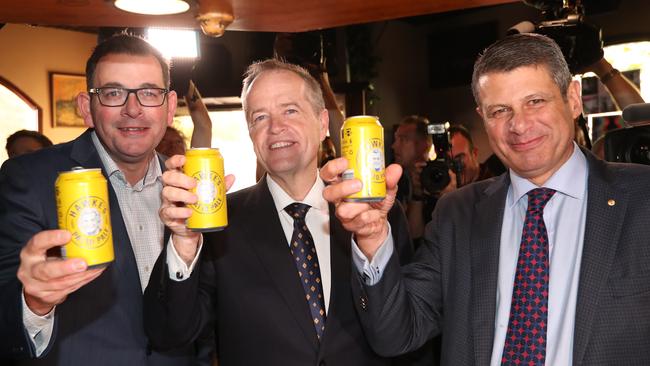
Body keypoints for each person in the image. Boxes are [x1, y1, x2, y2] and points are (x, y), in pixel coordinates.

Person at [321, 33, 650, 365]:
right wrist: (372, 238)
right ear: (482, 116)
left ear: (573, 98)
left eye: (535, 101)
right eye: (499, 111)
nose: (519, 125)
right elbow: (394, 335)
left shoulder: (642, 198)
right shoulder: (457, 214)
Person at [143, 59, 421, 365]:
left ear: (323, 123)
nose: (275, 128)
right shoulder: (219, 224)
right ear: (250, 133)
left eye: (290, 110)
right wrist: (183, 243)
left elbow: (407, 330)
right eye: (260, 117)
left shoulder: (374, 214)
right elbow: (169, 333)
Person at [0, 34, 209, 365]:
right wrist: (33, 302)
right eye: (113, 93)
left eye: (149, 93)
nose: (133, 109)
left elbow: (203, 313)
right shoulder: (29, 179)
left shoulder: (189, 190)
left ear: (169, 107)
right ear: (86, 107)